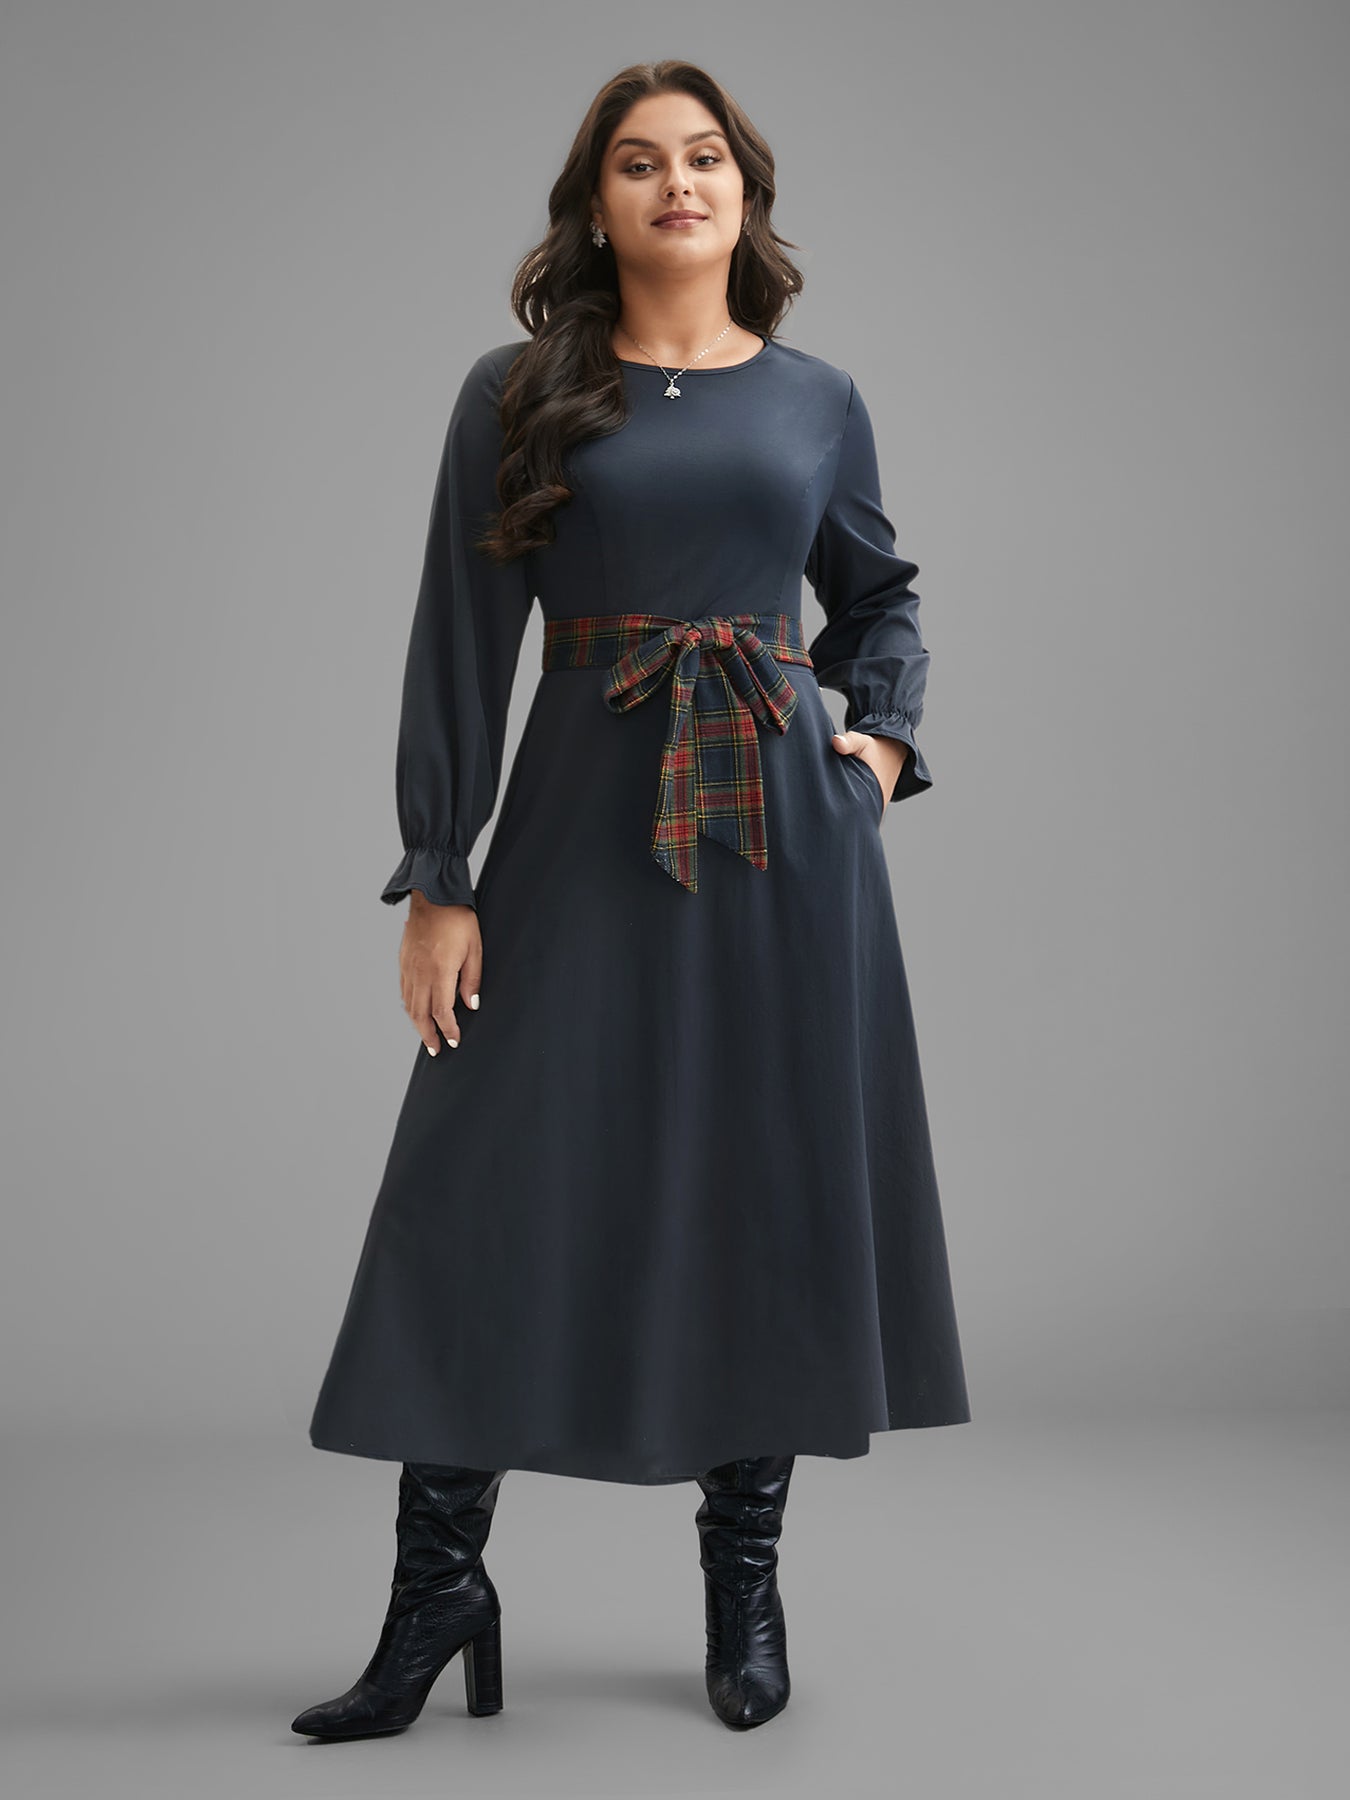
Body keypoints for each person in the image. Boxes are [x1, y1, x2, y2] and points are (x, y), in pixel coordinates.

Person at [292, 59, 970, 1741]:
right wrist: (439, 873)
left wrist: (875, 746)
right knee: (483, 1189)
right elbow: (461, 639)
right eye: (641, 162)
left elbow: (877, 596)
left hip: (776, 846)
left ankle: (743, 1584)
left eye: (705, 157)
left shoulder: (815, 398)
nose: (679, 183)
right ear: (595, 206)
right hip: (579, 828)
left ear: (745, 191)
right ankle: (436, 1592)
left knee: (759, 1183)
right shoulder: (518, 391)